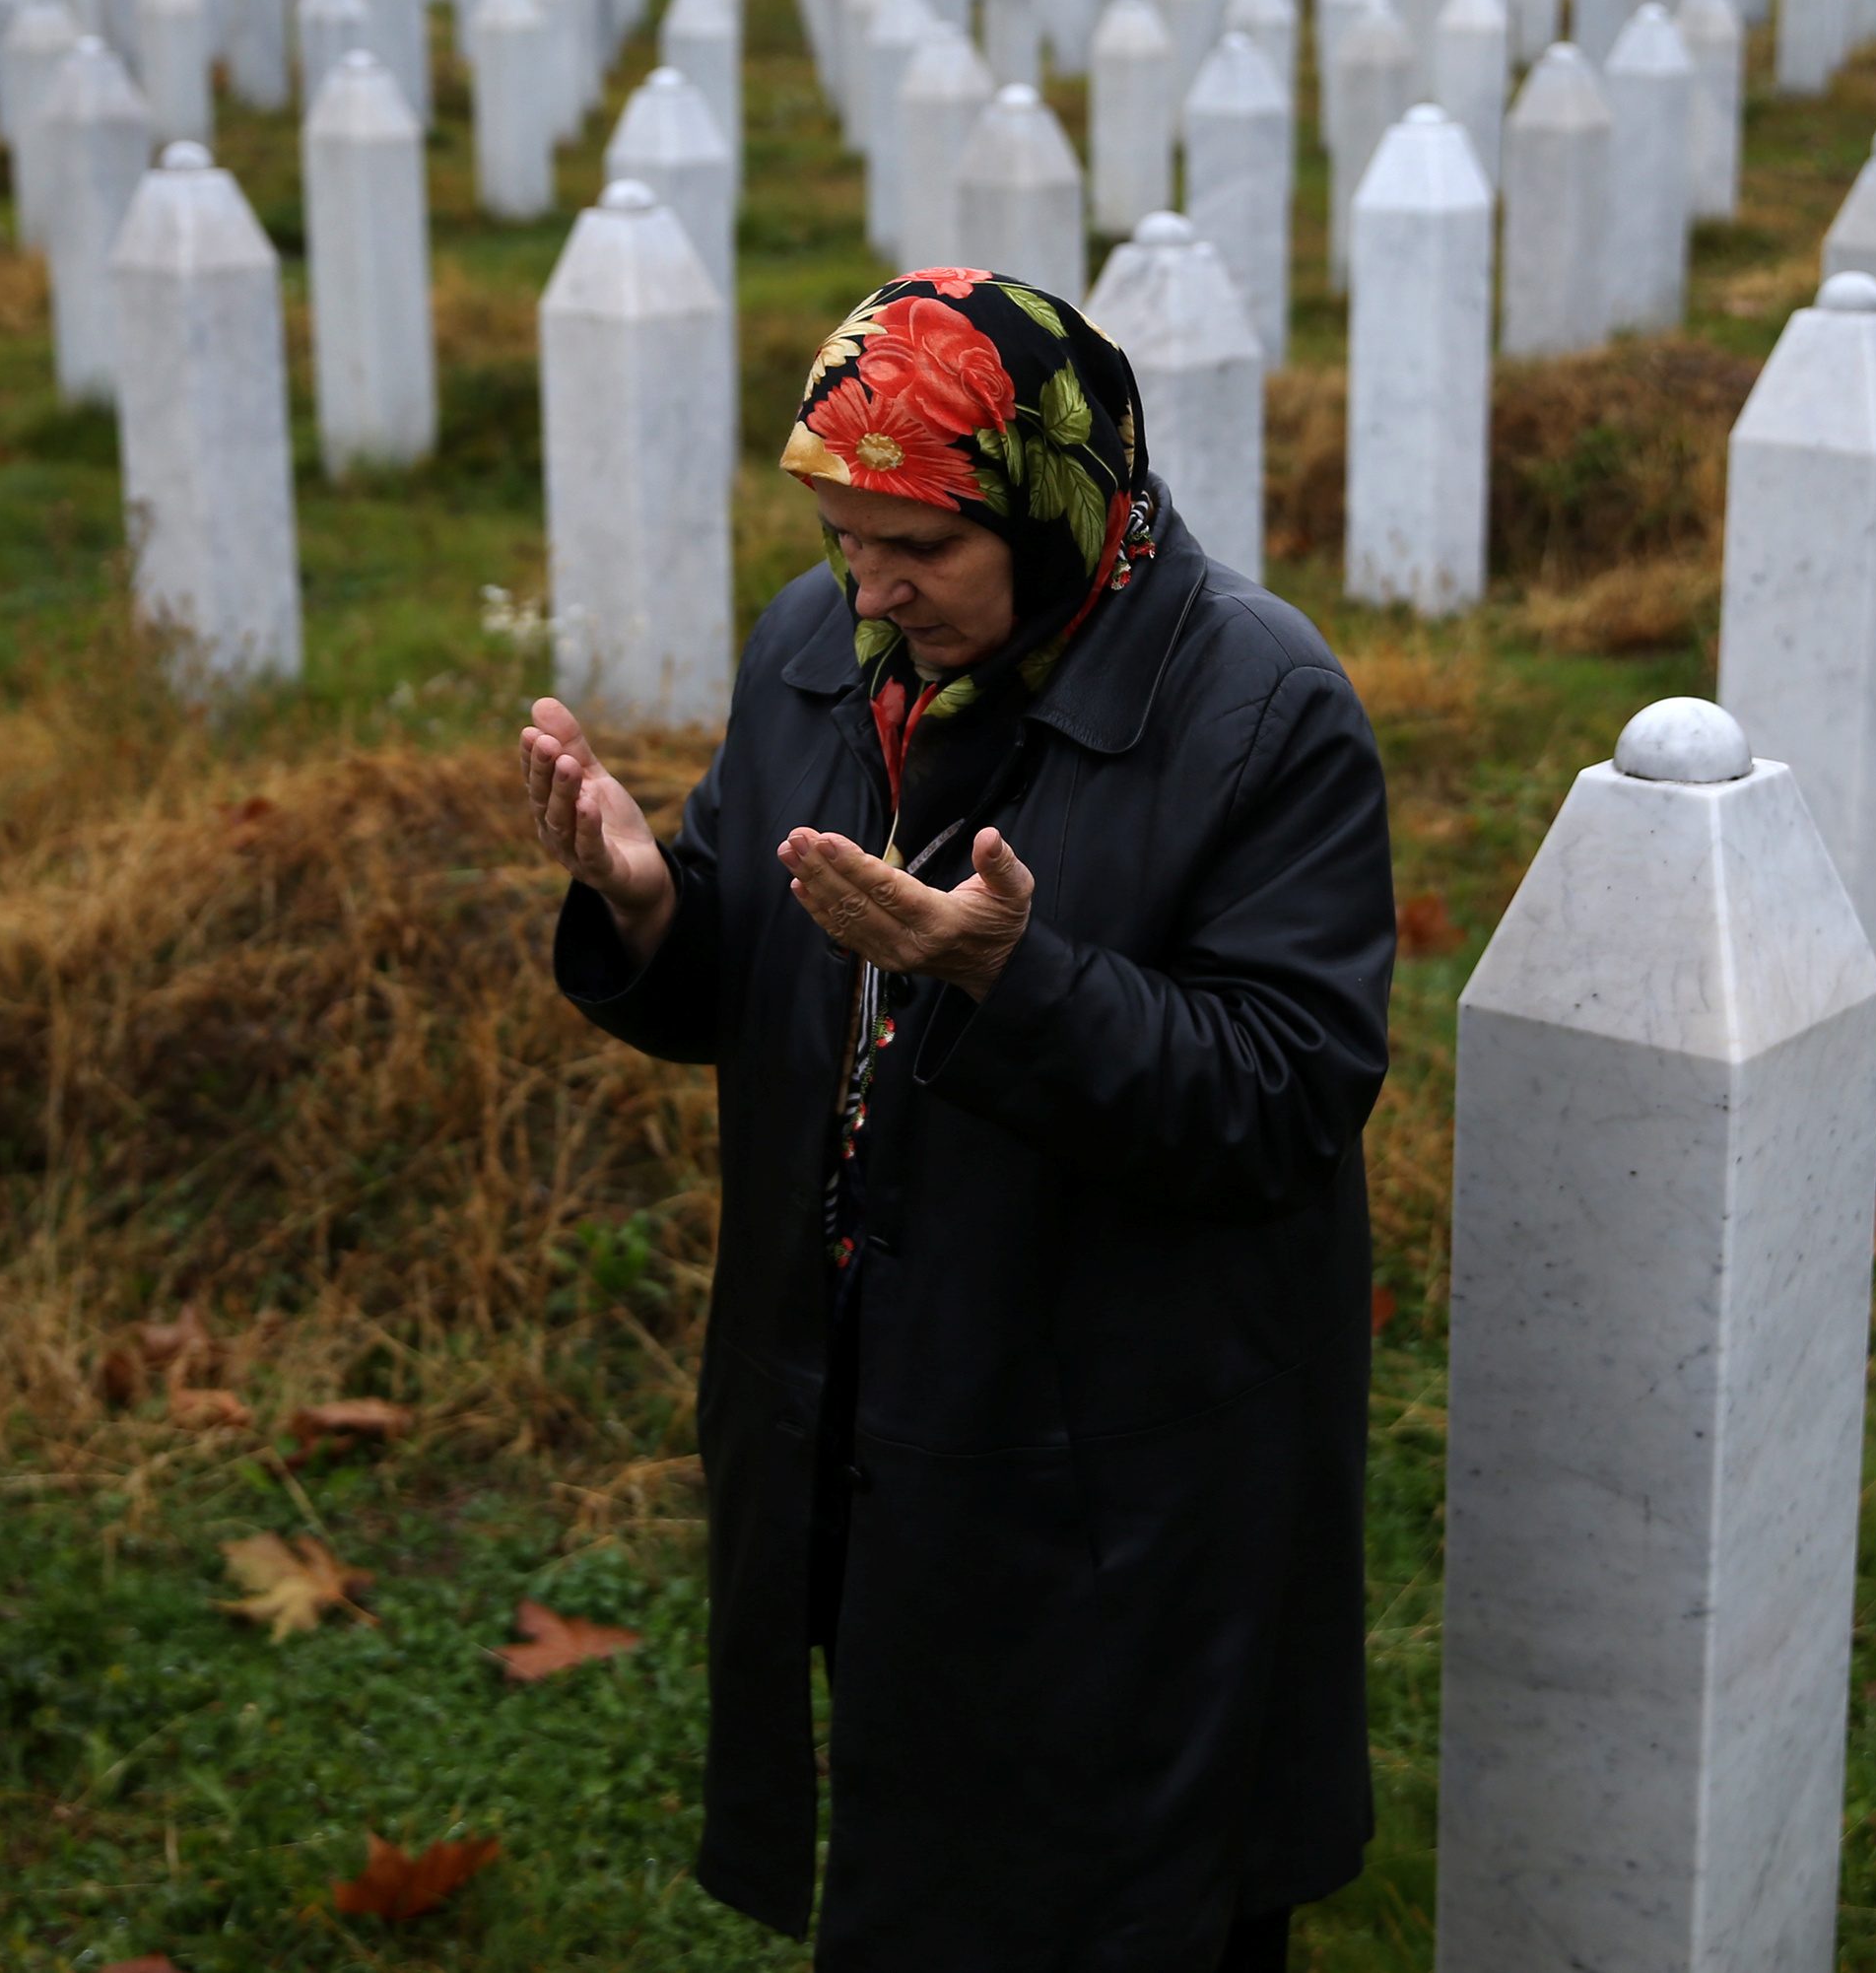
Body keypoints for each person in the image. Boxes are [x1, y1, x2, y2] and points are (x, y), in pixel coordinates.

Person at [518, 267, 1396, 1971]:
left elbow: (1284, 1095)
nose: (869, 582)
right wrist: (648, 907)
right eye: (845, 533)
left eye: (915, 541)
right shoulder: (822, 654)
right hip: (872, 1389)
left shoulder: (1265, 717)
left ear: (1049, 503)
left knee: (1129, 1889)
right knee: (924, 1863)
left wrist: (1015, 980)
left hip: (1118, 1455)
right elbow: (766, 977)